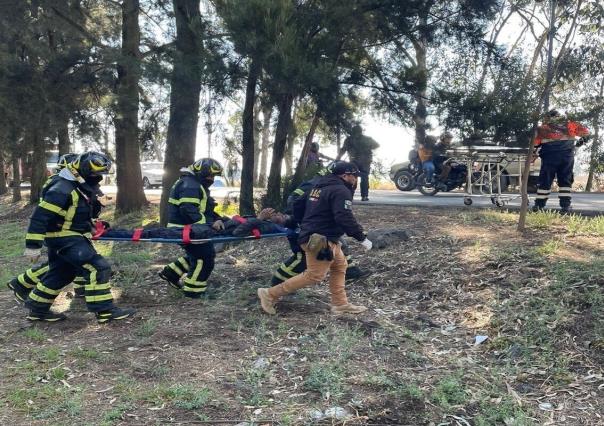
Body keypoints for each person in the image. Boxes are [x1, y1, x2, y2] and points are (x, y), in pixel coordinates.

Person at [20, 151, 135, 323]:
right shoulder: (62, 188)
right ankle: (105, 311)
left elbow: (74, 213)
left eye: (99, 174)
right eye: (94, 173)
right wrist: (33, 245)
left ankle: (37, 310)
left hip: (68, 236)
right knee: (98, 267)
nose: (97, 177)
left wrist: (94, 221)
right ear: (81, 168)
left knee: (62, 272)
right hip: (66, 238)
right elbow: (40, 217)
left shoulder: (77, 184)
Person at [257, 161, 372, 316]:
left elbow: (298, 204)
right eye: (354, 176)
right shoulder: (340, 190)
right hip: (320, 240)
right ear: (345, 175)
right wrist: (361, 237)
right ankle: (270, 294)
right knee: (314, 275)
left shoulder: (317, 186)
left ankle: (340, 304)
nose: (356, 180)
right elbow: (344, 216)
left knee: (340, 266)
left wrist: (302, 222)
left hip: (318, 235)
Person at [6, 153, 92, 303]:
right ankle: (21, 285)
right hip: (61, 233)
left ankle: (24, 287)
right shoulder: (61, 185)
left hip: (71, 232)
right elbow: (43, 216)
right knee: (62, 265)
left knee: (66, 264)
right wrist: (33, 245)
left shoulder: (71, 184)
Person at [270, 162, 369, 286]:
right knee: (304, 261)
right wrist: (299, 221)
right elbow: (295, 203)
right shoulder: (321, 186)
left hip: (313, 229)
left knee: (339, 247)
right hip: (303, 229)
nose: (355, 180)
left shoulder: (321, 184)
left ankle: (350, 273)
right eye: (354, 176)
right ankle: (276, 285)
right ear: (342, 175)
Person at [158, 158, 226, 297]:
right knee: (204, 258)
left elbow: (203, 210)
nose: (211, 179)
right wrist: (209, 225)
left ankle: (170, 273)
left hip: (189, 229)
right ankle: (193, 292)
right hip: (185, 229)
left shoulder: (194, 184)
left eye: (213, 176)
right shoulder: (190, 185)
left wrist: (217, 219)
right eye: (209, 175)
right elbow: (189, 210)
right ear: (201, 172)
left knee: (197, 255)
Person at [533, 110, 589, 213]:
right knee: (565, 181)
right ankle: (565, 207)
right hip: (566, 157)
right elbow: (586, 133)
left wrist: (534, 154)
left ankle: (539, 206)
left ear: (547, 118)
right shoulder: (570, 125)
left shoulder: (543, 128)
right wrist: (577, 146)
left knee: (545, 180)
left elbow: (535, 145)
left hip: (549, 157)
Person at [338, 125, 379, 201]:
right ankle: (364, 196)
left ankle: (350, 195)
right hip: (365, 161)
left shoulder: (349, 139)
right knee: (364, 178)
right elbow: (376, 145)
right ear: (361, 131)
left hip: (355, 161)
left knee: (353, 177)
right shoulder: (367, 139)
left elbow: (343, 150)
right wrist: (368, 147)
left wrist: (338, 158)